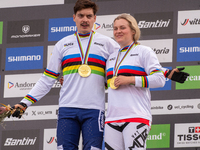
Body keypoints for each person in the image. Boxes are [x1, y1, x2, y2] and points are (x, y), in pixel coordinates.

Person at [11, 0, 119, 150]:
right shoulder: (62, 44)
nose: (85, 20)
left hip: (94, 110)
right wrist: (24, 103)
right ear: (74, 17)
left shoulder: (109, 44)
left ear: (95, 18)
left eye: (89, 16)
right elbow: (47, 79)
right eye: (81, 15)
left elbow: (117, 77)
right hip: (67, 110)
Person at [104, 13, 166, 150]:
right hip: (112, 119)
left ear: (133, 30)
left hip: (136, 116)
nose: (118, 31)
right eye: (115, 28)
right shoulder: (111, 58)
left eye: (122, 27)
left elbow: (160, 79)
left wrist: (131, 79)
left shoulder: (144, 51)